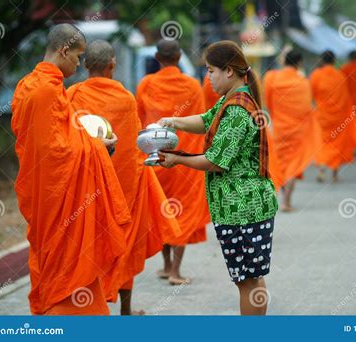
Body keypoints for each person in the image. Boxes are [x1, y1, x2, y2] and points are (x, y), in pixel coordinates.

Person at [11, 24, 130, 315]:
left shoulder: (28, 84)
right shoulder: (45, 92)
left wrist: (92, 143)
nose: (79, 63)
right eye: (77, 57)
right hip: (56, 200)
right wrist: (100, 147)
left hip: (45, 196)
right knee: (65, 272)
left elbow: (60, 140)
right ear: (64, 51)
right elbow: (56, 154)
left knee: (58, 267)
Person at [157, 40, 278, 315]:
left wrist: (177, 159)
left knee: (247, 281)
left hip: (243, 208)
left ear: (229, 71)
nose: (207, 77)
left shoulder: (237, 109)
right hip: (242, 207)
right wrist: (173, 121)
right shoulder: (232, 99)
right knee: (250, 279)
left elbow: (215, 161)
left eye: (211, 70)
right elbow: (206, 120)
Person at [67, 40, 181, 314]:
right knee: (123, 246)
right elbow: (132, 149)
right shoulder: (125, 98)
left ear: (85, 65)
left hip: (86, 187)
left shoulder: (72, 95)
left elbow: (69, 141)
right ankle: (125, 312)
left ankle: (89, 307)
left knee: (90, 245)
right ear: (112, 65)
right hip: (122, 187)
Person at [136, 39, 210, 285]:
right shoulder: (192, 85)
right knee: (182, 211)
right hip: (182, 162)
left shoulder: (146, 84)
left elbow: (139, 120)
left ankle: (166, 266)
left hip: (156, 159)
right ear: (179, 57)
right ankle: (175, 271)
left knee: (163, 210)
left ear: (157, 57)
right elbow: (201, 125)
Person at [263, 49, 321, 211]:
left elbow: (267, 102)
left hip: (279, 128)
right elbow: (307, 107)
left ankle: (271, 197)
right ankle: (286, 202)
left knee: (278, 163)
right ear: (300, 63)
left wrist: (276, 115)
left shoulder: (271, 78)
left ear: (283, 61)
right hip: (297, 131)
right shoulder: (303, 82)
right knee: (292, 166)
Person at [310, 50, 356, 183]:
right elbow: (345, 98)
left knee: (322, 143)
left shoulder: (316, 75)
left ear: (321, 60)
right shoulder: (340, 76)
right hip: (339, 117)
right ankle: (334, 174)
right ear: (334, 61)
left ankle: (322, 170)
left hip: (322, 115)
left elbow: (312, 94)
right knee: (337, 143)